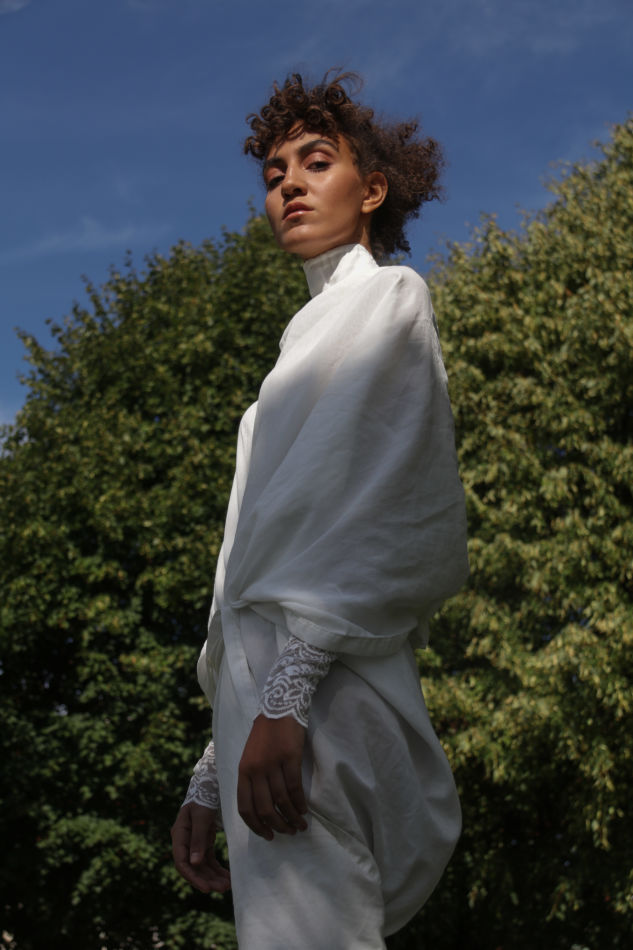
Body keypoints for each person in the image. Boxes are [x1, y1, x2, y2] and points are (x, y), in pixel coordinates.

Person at [171, 71, 469, 950]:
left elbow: (388, 506)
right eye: (274, 174)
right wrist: (211, 768)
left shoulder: (390, 297)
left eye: (315, 162)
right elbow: (244, 579)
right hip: (263, 702)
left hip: (317, 687)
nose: (289, 185)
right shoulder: (271, 392)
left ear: (370, 189)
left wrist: (289, 694)